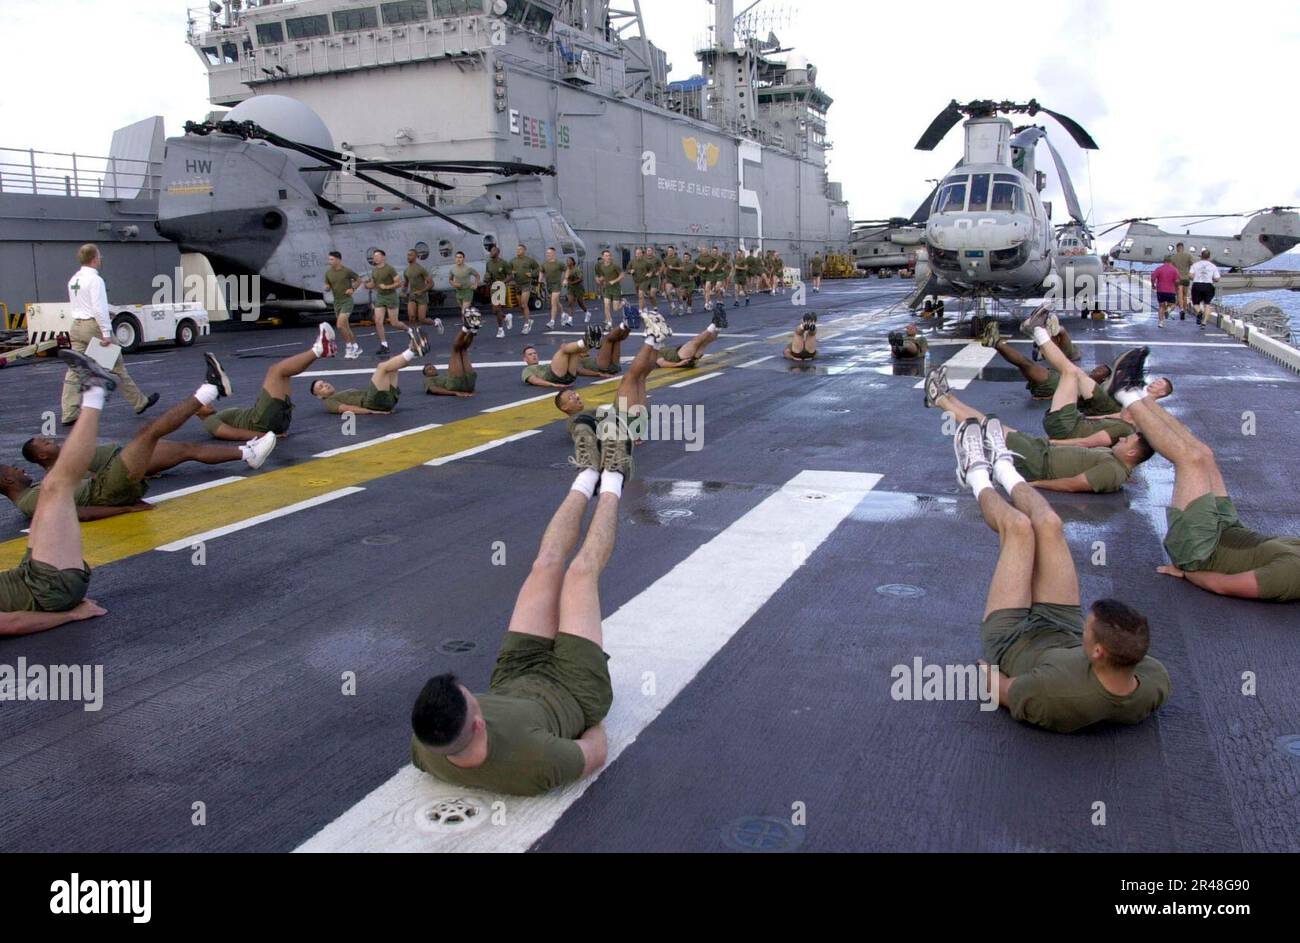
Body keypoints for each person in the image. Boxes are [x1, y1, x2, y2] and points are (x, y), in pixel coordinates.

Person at [408, 423, 633, 796]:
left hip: (516, 673)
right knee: (580, 572)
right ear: (479, 724)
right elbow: (596, 750)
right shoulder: (538, 763)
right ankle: (613, 476)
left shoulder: (425, 746)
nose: (474, 694)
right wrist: (590, 720)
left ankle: (587, 472)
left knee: (545, 563)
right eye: (472, 698)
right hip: (576, 689)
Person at [950, 413, 1169, 733]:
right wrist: (1075, 631)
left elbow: (989, 680)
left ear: (1096, 651)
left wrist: (988, 670)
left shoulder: (1053, 697)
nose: (1087, 623)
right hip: (1062, 626)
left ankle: (976, 473)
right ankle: (1004, 467)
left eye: (1089, 627)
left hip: (1012, 640)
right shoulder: (1153, 679)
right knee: (1051, 524)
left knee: (1019, 529)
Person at [1108, 350, 1300, 601]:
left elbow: (1223, 585)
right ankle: (1144, 400)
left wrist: (1188, 573)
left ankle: (1124, 393)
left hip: (1201, 550)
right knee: (1205, 454)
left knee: (1191, 461)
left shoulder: (1291, 576)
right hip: (1228, 528)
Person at [5, 353, 244, 522]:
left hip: (106, 484)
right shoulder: (29, 502)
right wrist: (126, 509)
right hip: (107, 491)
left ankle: (95, 387)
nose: (19, 469)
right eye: (13, 470)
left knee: (155, 440)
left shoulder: (33, 490)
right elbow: (79, 514)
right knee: (147, 434)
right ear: (8, 481)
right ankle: (211, 390)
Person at [1, 351, 115, 637]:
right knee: (56, 487)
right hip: (49, 589)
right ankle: (95, 391)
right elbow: (9, 624)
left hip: (30, 575)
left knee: (52, 484)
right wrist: (71, 615)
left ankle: (97, 382)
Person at [924, 365, 1152, 494]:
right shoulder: (1115, 462)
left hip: (1038, 462)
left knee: (986, 427)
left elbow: (1076, 484)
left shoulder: (1114, 472)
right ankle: (946, 396)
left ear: (1132, 453)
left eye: (1127, 442)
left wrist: (1033, 484)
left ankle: (941, 400)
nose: (1122, 441)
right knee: (990, 425)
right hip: (1041, 451)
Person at [1020, 312, 1171, 446]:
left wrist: (1054, 443)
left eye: (1160, 385)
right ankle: (1035, 332)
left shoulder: (1127, 426)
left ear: (1163, 393)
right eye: (1158, 381)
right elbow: (1118, 415)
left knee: (1070, 371)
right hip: (1071, 421)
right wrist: (1099, 417)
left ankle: (1038, 331)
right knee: (1075, 372)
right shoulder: (1130, 415)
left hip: (1066, 426)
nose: (1156, 383)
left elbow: (1089, 442)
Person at [60, 244, 158, 426]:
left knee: (74, 370)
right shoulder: (96, 280)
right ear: (94, 259)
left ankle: (69, 412)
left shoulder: (74, 279)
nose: (101, 259)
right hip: (93, 328)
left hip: (77, 326)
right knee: (117, 367)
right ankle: (139, 402)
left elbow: (83, 305)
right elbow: (98, 308)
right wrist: (106, 332)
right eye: (99, 256)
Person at [198, 323, 335, 441]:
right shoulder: (209, 422)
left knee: (285, 373)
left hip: (273, 422)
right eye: (202, 403)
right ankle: (319, 349)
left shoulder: (216, 416)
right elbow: (232, 434)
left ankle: (322, 350)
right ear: (196, 412)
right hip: (261, 422)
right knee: (275, 370)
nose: (208, 402)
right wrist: (266, 436)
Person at [556, 313, 671, 433]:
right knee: (630, 378)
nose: (577, 396)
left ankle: (657, 342)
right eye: (571, 397)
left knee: (640, 377)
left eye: (574, 394)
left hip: (629, 424)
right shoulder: (574, 421)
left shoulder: (582, 416)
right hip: (624, 425)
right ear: (564, 407)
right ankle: (653, 337)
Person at [981, 319, 1110, 401]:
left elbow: (1080, 399)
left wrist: (1055, 396)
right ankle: (1052, 332)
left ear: (1104, 379)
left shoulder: (1097, 391)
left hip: (1055, 384)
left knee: (1026, 364)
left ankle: (997, 343)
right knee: (1025, 365)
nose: (1096, 368)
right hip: (1057, 381)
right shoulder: (1090, 383)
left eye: (1100, 370)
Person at [310, 328, 428, 415]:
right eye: (321, 387)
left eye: (323, 383)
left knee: (391, 366)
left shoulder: (339, 394)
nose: (325, 385)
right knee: (382, 367)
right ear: (320, 397)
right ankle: (413, 349)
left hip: (386, 400)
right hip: (372, 402)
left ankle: (415, 353)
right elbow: (346, 409)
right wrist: (372, 411)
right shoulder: (329, 402)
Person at [521, 326, 603, 388]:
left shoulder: (545, 366)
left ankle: (592, 343)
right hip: (554, 376)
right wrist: (552, 384)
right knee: (563, 349)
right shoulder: (527, 370)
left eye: (534, 353)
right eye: (530, 354)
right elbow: (534, 380)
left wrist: (598, 374)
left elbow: (578, 371)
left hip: (570, 377)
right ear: (525, 359)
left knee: (575, 351)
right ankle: (585, 341)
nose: (534, 355)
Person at [424, 311, 481, 398]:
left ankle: (472, 331)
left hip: (469, 384)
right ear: (426, 374)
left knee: (463, 349)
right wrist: (454, 393)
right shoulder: (428, 380)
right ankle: (465, 329)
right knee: (456, 350)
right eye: (428, 369)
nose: (432, 368)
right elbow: (433, 389)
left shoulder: (443, 375)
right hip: (455, 383)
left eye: (432, 367)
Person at [657, 307, 727, 369]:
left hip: (685, 357)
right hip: (680, 357)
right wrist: (678, 364)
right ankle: (714, 324)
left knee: (705, 342)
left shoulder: (657, 349)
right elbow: (662, 363)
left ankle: (718, 327)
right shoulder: (653, 354)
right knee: (695, 341)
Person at [325, 251, 364, 360]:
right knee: (346, 327)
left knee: (340, 325)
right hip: (337, 302)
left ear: (338, 260)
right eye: (329, 259)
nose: (330, 261)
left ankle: (349, 347)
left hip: (347, 301)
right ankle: (356, 346)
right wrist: (327, 287)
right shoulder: (328, 273)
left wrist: (352, 289)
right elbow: (327, 283)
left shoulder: (346, 271)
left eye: (332, 259)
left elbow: (359, 279)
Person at [366, 249, 403, 356]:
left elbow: (398, 283)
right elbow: (374, 284)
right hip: (380, 297)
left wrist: (387, 286)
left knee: (394, 323)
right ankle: (384, 345)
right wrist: (368, 285)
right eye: (374, 256)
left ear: (383, 257)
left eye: (377, 256)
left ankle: (408, 329)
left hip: (391, 296)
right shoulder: (374, 270)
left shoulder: (390, 269)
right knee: (378, 321)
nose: (375, 258)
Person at [484, 244, 513, 338]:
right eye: (490, 251)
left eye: (493, 251)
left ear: (497, 253)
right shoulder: (488, 263)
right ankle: (506, 317)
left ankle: (500, 330)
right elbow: (488, 274)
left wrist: (502, 282)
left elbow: (510, 276)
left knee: (497, 308)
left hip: (501, 287)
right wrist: (487, 279)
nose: (491, 253)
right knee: (495, 310)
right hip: (493, 287)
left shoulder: (504, 263)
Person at [511, 244, 541, 335]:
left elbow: (538, 268)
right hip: (517, 285)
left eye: (520, 249)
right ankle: (529, 320)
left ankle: (526, 324)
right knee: (521, 306)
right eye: (517, 249)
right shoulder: (513, 261)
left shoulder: (529, 260)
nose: (518, 251)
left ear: (524, 250)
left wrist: (532, 274)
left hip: (526, 284)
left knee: (524, 304)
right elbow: (508, 270)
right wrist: (511, 272)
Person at [540, 247, 572, 330]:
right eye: (547, 253)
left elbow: (567, 270)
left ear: (554, 254)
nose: (548, 255)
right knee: (557, 302)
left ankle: (552, 322)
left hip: (557, 285)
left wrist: (565, 279)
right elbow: (541, 271)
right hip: (549, 286)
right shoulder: (544, 264)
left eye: (550, 253)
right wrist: (539, 279)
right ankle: (563, 314)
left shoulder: (559, 263)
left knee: (553, 303)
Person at [403, 249, 436, 329]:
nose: (408, 257)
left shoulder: (420, 269)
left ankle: (436, 322)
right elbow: (406, 284)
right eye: (408, 255)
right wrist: (403, 292)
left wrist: (421, 291)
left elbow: (431, 284)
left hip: (422, 296)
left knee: (422, 319)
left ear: (415, 256)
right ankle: (415, 338)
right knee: (411, 317)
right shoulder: (406, 271)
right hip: (412, 296)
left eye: (410, 255)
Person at [1189, 249, 1221, 328]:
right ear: (1209, 257)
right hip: (1208, 285)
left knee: (1195, 303)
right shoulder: (1213, 266)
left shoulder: (1195, 265)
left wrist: (1195, 278)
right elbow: (1217, 278)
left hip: (1197, 284)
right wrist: (1211, 279)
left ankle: (1199, 312)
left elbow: (1190, 275)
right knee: (1207, 304)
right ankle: (1204, 322)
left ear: (1201, 256)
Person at [593, 249, 624, 328]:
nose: (608, 257)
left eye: (609, 255)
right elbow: (603, 276)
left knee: (615, 309)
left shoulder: (615, 266)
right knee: (606, 306)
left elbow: (622, 275)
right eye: (606, 256)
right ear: (603, 257)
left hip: (615, 288)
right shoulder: (601, 266)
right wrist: (598, 279)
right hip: (607, 288)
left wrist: (614, 280)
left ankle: (623, 303)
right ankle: (609, 323)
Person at [447, 251, 481, 322]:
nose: (458, 259)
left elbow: (477, 275)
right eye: (456, 257)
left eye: (460, 257)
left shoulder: (468, 268)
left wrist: (475, 284)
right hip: (459, 292)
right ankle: (472, 320)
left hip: (467, 291)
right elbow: (450, 280)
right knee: (465, 311)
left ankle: (466, 328)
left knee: (464, 312)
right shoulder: (452, 269)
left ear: (463, 259)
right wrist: (454, 284)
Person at [1150, 255, 1180, 328]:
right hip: (1171, 291)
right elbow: (1177, 281)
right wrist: (1176, 288)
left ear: (1164, 261)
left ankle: (1161, 323)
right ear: (1171, 261)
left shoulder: (1159, 269)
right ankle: (1169, 310)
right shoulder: (1174, 270)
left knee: (1161, 306)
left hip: (1160, 290)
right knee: (1173, 304)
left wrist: (1153, 285)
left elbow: (1153, 277)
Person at [1170, 242, 1194, 318]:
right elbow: (1192, 264)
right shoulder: (1188, 256)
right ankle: (1185, 308)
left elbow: (1171, 269)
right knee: (1185, 295)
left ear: (1177, 248)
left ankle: (1181, 309)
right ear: (1183, 248)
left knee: (1179, 295)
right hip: (1186, 278)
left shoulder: (1173, 257)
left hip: (1178, 279)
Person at [564, 257, 589, 324]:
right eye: (567, 260)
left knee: (580, 303)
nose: (568, 262)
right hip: (570, 289)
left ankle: (587, 313)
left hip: (578, 288)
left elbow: (581, 279)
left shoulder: (576, 270)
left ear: (573, 262)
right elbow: (566, 279)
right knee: (570, 303)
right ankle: (570, 320)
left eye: (569, 260)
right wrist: (565, 282)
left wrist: (572, 282)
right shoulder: (567, 270)